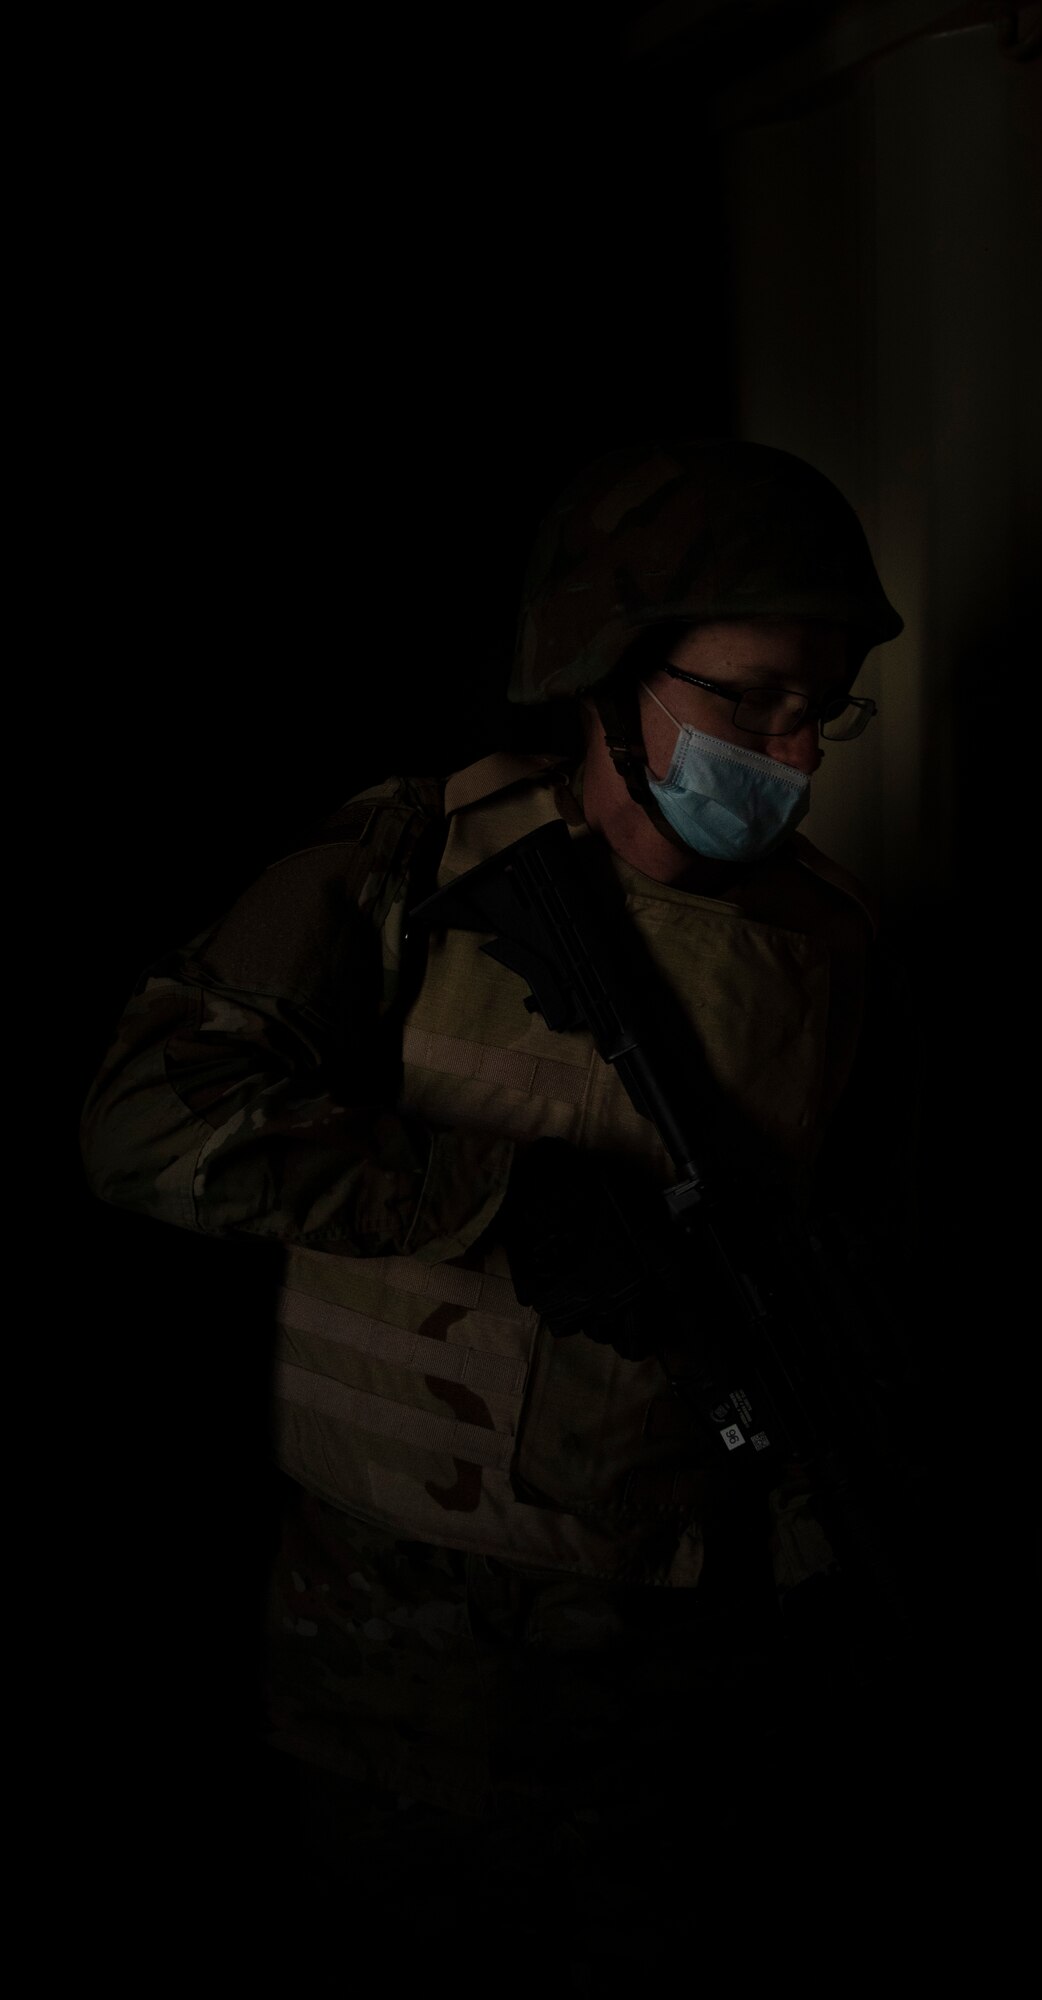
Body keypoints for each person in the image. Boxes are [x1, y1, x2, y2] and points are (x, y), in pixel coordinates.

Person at [81, 441, 925, 1976]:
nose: (799, 756)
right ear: (608, 667)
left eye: (826, 710)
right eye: (753, 702)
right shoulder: (415, 860)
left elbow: (849, 1283)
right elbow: (145, 1120)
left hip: (687, 1706)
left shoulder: (840, 948)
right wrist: (499, 1200)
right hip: (397, 1687)